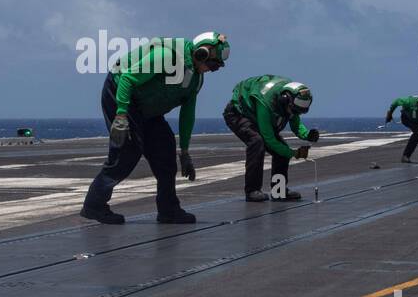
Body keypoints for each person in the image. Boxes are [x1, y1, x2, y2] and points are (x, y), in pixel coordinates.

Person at [81, 32, 230, 225]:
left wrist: (184, 151)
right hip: (121, 95)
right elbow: (127, 79)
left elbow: (187, 114)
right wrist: (120, 115)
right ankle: (94, 205)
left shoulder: (195, 80)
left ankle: (169, 210)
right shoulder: (166, 56)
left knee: (166, 151)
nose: (212, 70)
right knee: (127, 152)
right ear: (202, 53)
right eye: (213, 64)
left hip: (148, 109)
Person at [224, 76, 318, 201]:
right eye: (294, 110)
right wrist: (293, 153)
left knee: (281, 151)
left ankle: (278, 190)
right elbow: (269, 139)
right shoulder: (266, 102)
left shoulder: (292, 99)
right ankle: (252, 191)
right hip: (239, 114)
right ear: (285, 100)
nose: (295, 114)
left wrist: (307, 135)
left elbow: (294, 121)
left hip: (256, 114)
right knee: (257, 142)